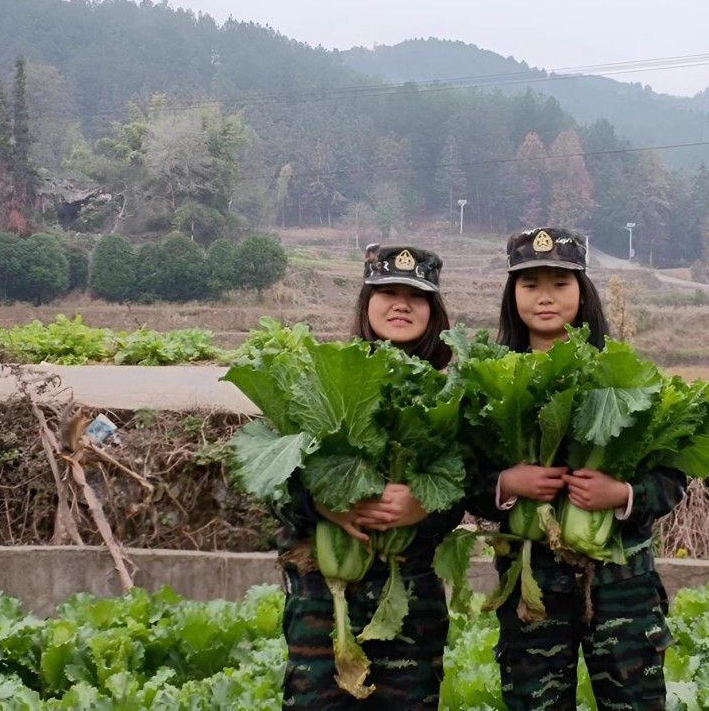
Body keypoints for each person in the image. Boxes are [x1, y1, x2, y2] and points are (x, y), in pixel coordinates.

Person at [481, 227, 685, 710]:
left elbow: (673, 480)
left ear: (583, 292)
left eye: (560, 284)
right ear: (513, 296)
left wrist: (623, 495)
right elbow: (462, 477)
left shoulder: (623, 372)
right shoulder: (489, 376)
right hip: (533, 589)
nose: (545, 298)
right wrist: (506, 484)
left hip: (623, 586)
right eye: (529, 285)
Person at [276, 243, 458, 710]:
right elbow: (273, 478)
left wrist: (424, 504)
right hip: (321, 600)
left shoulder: (451, 391)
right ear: (366, 301)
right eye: (387, 291)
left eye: (416, 296)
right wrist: (319, 503)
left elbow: (467, 482)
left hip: (410, 603)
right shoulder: (322, 376)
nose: (401, 304)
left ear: (434, 311)